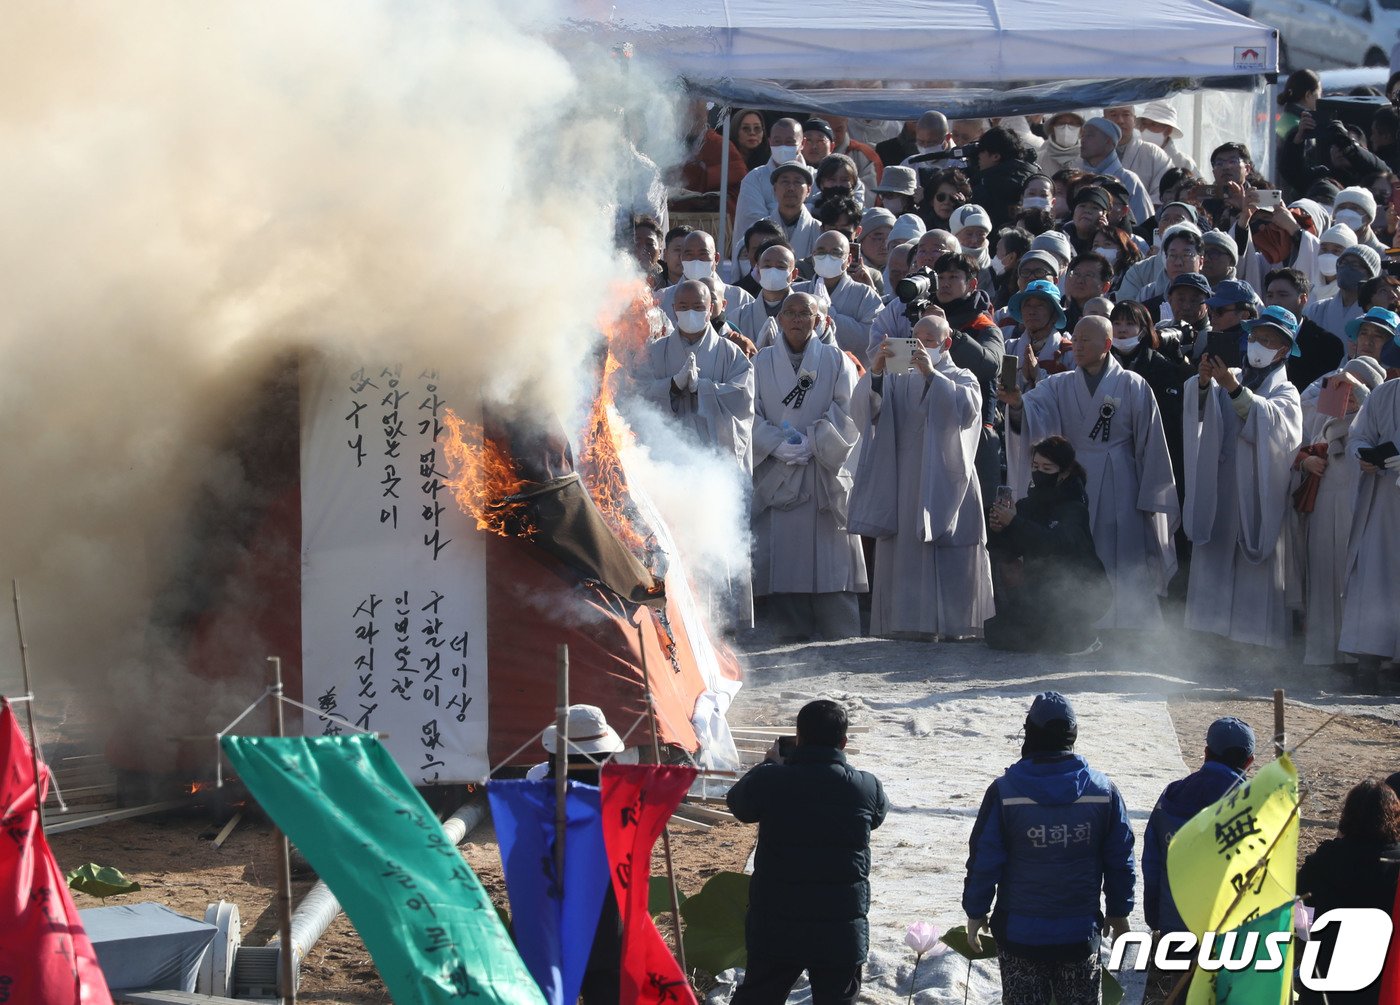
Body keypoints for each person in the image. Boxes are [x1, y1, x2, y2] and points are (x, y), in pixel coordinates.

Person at [1000, 314, 1179, 631]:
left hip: (1119, 477)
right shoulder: (1058, 384)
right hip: (1071, 480)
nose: (1077, 346)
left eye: (1086, 340)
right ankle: (1075, 621)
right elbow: (1030, 411)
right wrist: (1016, 405)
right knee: (1075, 546)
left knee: (1120, 547)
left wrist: (1153, 493)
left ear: (1107, 344)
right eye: (1076, 339)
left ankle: (1127, 622)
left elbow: (1150, 444)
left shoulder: (1133, 385)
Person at [962, 692, 1134, 1003]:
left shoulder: (1004, 793)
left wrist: (976, 911)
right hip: (1079, 935)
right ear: (1073, 734)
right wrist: (1119, 910)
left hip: (1019, 937)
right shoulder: (1104, 792)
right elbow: (1120, 858)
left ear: (1030, 733)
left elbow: (984, 859)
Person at [726, 700, 888, 1005]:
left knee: (758, 997)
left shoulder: (771, 780)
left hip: (777, 924)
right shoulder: (867, 787)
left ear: (798, 738)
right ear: (843, 742)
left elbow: (738, 804)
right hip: (840, 929)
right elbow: (877, 816)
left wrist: (769, 764)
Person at [852, 313, 993, 640]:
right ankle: (906, 624)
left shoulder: (962, 376)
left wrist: (933, 377)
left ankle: (953, 627)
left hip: (947, 475)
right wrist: (875, 371)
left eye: (929, 341)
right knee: (905, 548)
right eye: (916, 339)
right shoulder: (897, 375)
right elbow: (866, 410)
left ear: (945, 343)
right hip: (903, 476)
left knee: (949, 548)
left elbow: (968, 412)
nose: (921, 347)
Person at [1183, 305, 1303, 649]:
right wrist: (1204, 383)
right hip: (1222, 483)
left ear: (1283, 350)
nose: (1259, 343)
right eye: (1256, 336)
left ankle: (1252, 642)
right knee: (1217, 551)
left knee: (1254, 571)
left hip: (1256, 489)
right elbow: (1199, 409)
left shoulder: (1287, 392)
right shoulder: (1229, 374)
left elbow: (1277, 429)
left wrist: (1234, 389)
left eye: (1269, 339)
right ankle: (1210, 637)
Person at [750, 292, 866, 640]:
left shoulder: (836, 360)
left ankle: (840, 637)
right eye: (791, 313)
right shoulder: (761, 362)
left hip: (822, 472)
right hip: (778, 469)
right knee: (785, 560)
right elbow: (747, 414)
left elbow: (850, 410)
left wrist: (815, 442)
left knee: (832, 561)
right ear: (779, 319)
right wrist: (776, 444)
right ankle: (788, 634)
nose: (798, 319)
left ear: (818, 320)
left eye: (806, 313)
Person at [524, 704, 637, 1003]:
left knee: (546, 986)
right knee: (604, 982)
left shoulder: (534, 784)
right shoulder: (619, 791)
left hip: (546, 906)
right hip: (602, 907)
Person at [1140, 717, 1255, 1005]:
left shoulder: (1171, 796)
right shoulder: (1254, 805)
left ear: (1205, 753)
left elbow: (1152, 864)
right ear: (1250, 761)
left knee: (1184, 995)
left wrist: (1156, 917)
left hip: (1177, 924)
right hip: (1231, 929)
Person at [1291, 357, 1384, 669]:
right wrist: (1306, 461)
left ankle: (1355, 654)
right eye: (1344, 381)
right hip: (1324, 504)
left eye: (1356, 383)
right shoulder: (1322, 417)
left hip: (1359, 505)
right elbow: (1301, 445)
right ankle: (1321, 652)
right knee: (1322, 575)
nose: (1347, 389)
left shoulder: (1379, 418)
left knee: (1353, 578)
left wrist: (1362, 397)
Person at [984, 438, 1110, 654]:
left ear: (1064, 471)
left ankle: (1081, 633)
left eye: (1047, 468)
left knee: (1058, 639)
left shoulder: (1074, 507)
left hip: (1082, 591)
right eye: (1035, 466)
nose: (1039, 472)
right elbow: (1010, 548)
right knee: (998, 632)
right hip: (1040, 592)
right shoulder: (1028, 504)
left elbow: (1054, 543)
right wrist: (998, 530)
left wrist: (1014, 522)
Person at [1297, 780, 1400, 1005]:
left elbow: (1299, 923)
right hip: (1384, 989)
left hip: (1324, 986)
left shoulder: (1321, 862)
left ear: (1347, 816)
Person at [636, 277, 755, 467]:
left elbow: (742, 399)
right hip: (665, 457)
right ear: (674, 309)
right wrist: (673, 385)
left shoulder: (732, 354)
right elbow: (637, 395)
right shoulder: (655, 351)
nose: (690, 312)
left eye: (698, 307)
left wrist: (702, 388)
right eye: (683, 306)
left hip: (714, 459)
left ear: (710, 310)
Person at [1338, 368, 1400, 690]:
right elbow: (1358, 434)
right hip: (1382, 505)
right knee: (1374, 579)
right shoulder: (1384, 394)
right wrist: (1363, 454)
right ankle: (1368, 663)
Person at [795, 230, 883, 363]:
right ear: (813, 257)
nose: (827, 257)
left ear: (848, 260)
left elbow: (873, 338)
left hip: (849, 372)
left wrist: (828, 313)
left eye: (835, 252)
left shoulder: (866, 294)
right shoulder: (797, 291)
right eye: (821, 251)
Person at [1261, 267, 1346, 394]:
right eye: (1270, 295)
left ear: (1303, 299)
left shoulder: (1327, 345)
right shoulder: (1255, 337)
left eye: (1283, 295)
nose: (1274, 301)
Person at [732, 118, 805, 257]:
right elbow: (754, 225)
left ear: (803, 143)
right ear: (770, 142)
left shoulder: (815, 176)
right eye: (777, 141)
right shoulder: (753, 179)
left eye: (790, 142)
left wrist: (773, 209)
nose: (783, 147)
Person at [656, 230, 755, 328]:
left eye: (703, 254)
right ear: (682, 258)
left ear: (716, 258)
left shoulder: (740, 298)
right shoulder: (662, 299)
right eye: (689, 254)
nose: (695, 260)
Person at [1077, 116, 1153, 223]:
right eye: (1082, 135)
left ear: (1108, 141)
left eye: (1090, 135)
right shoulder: (1077, 179)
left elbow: (1144, 225)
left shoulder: (1129, 180)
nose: (1083, 140)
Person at [1304, 243, 1381, 342]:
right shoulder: (1316, 309)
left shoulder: (1375, 315)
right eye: (1343, 263)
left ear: (1370, 275)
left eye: (1355, 265)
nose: (1346, 268)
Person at [1103, 105, 1173, 206]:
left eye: (1126, 114)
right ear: (1104, 120)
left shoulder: (1154, 154)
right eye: (1113, 115)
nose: (1120, 120)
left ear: (1134, 120)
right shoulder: (1089, 153)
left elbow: (1163, 194)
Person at [972, 125, 1038, 231]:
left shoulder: (987, 186)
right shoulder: (1034, 179)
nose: (978, 156)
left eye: (982, 151)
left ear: (995, 156)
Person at [827, 115, 883, 209]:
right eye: (828, 130)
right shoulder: (801, 151)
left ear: (846, 124)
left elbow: (870, 197)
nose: (833, 135)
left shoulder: (865, 154)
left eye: (838, 130)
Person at [1136, 102, 1197, 174]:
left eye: (1154, 124)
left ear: (1168, 130)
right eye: (1144, 124)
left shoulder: (1184, 163)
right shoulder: (1133, 156)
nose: (1146, 128)